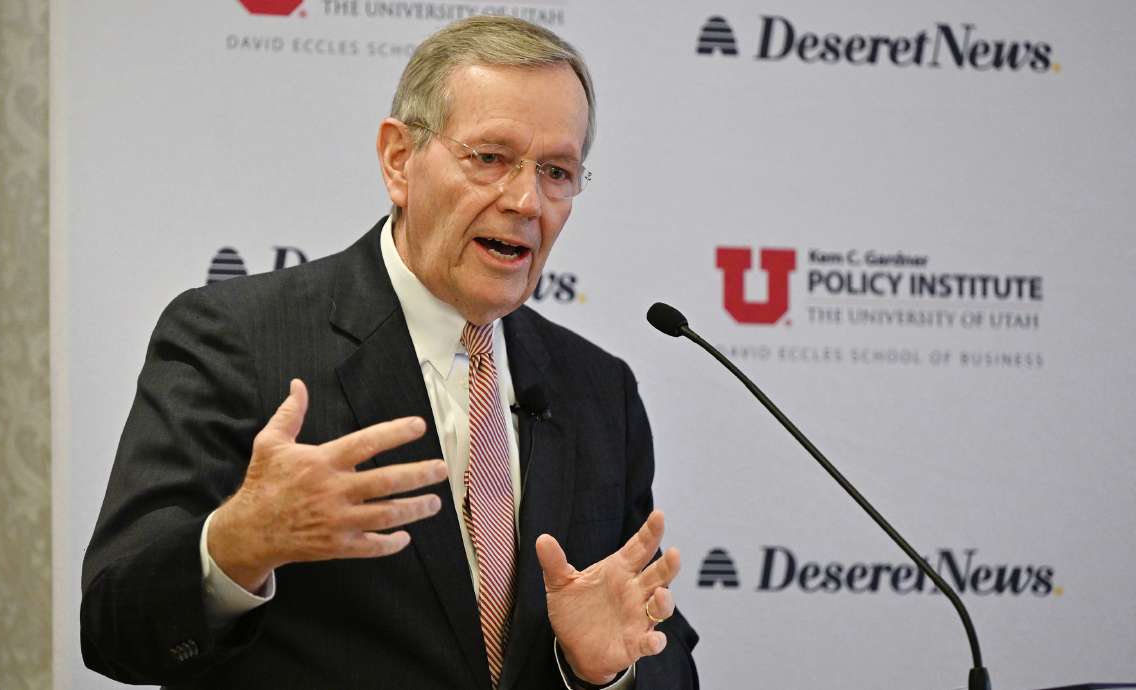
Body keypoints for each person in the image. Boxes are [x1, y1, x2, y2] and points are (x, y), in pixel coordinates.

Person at [81, 16, 698, 690]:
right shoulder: (239, 339)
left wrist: (604, 670)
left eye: (557, 171)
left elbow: (658, 646)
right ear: (399, 160)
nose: (526, 201)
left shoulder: (596, 388)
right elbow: (113, 627)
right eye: (489, 158)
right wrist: (236, 545)